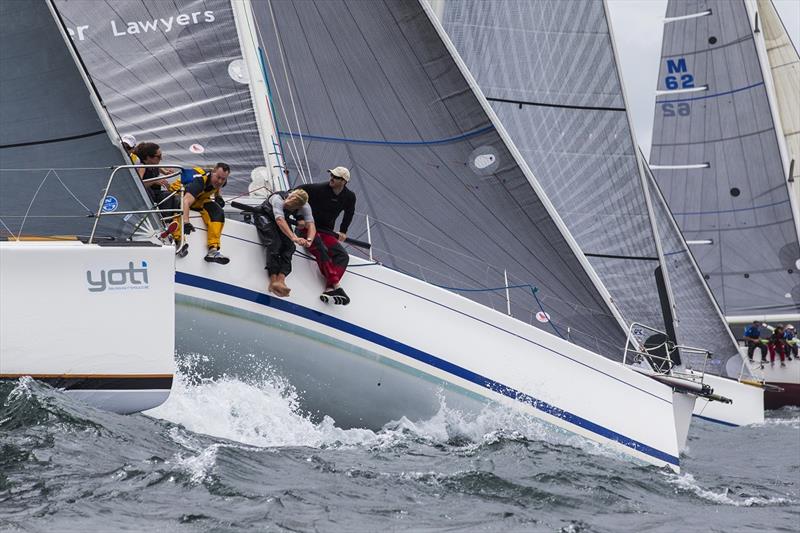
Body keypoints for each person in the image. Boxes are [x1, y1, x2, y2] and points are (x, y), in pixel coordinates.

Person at [296, 166, 356, 305]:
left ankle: (329, 289)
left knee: (342, 256)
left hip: (325, 231)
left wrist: (343, 231)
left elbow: (349, 213)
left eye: (335, 177)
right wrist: (299, 217)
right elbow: (298, 192)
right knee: (321, 248)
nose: (331, 179)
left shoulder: (349, 197)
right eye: (331, 175)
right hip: (308, 228)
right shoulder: (320, 189)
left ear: (344, 181)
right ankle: (336, 285)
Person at [254, 189, 315, 297]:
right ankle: (273, 279)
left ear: (298, 208)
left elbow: (311, 225)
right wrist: (294, 237)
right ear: (289, 196)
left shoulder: (305, 206)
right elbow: (280, 220)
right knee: (274, 243)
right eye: (287, 200)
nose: (286, 203)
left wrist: (309, 240)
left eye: (290, 206)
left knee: (290, 247)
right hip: (265, 215)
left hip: (282, 219)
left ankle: (281, 280)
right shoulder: (278, 199)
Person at [171, 163, 231, 264]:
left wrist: (218, 196)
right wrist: (186, 223)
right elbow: (185, 201)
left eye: (223, 179)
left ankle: (213, 250)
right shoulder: (199, 181)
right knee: (178, 203)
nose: (220, 181)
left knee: (217, 212)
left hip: (199, 198)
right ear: (213, 172)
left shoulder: (220, 181)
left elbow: (217, 186)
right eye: (218, 177)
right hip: (179, 195)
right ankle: (179, 241)